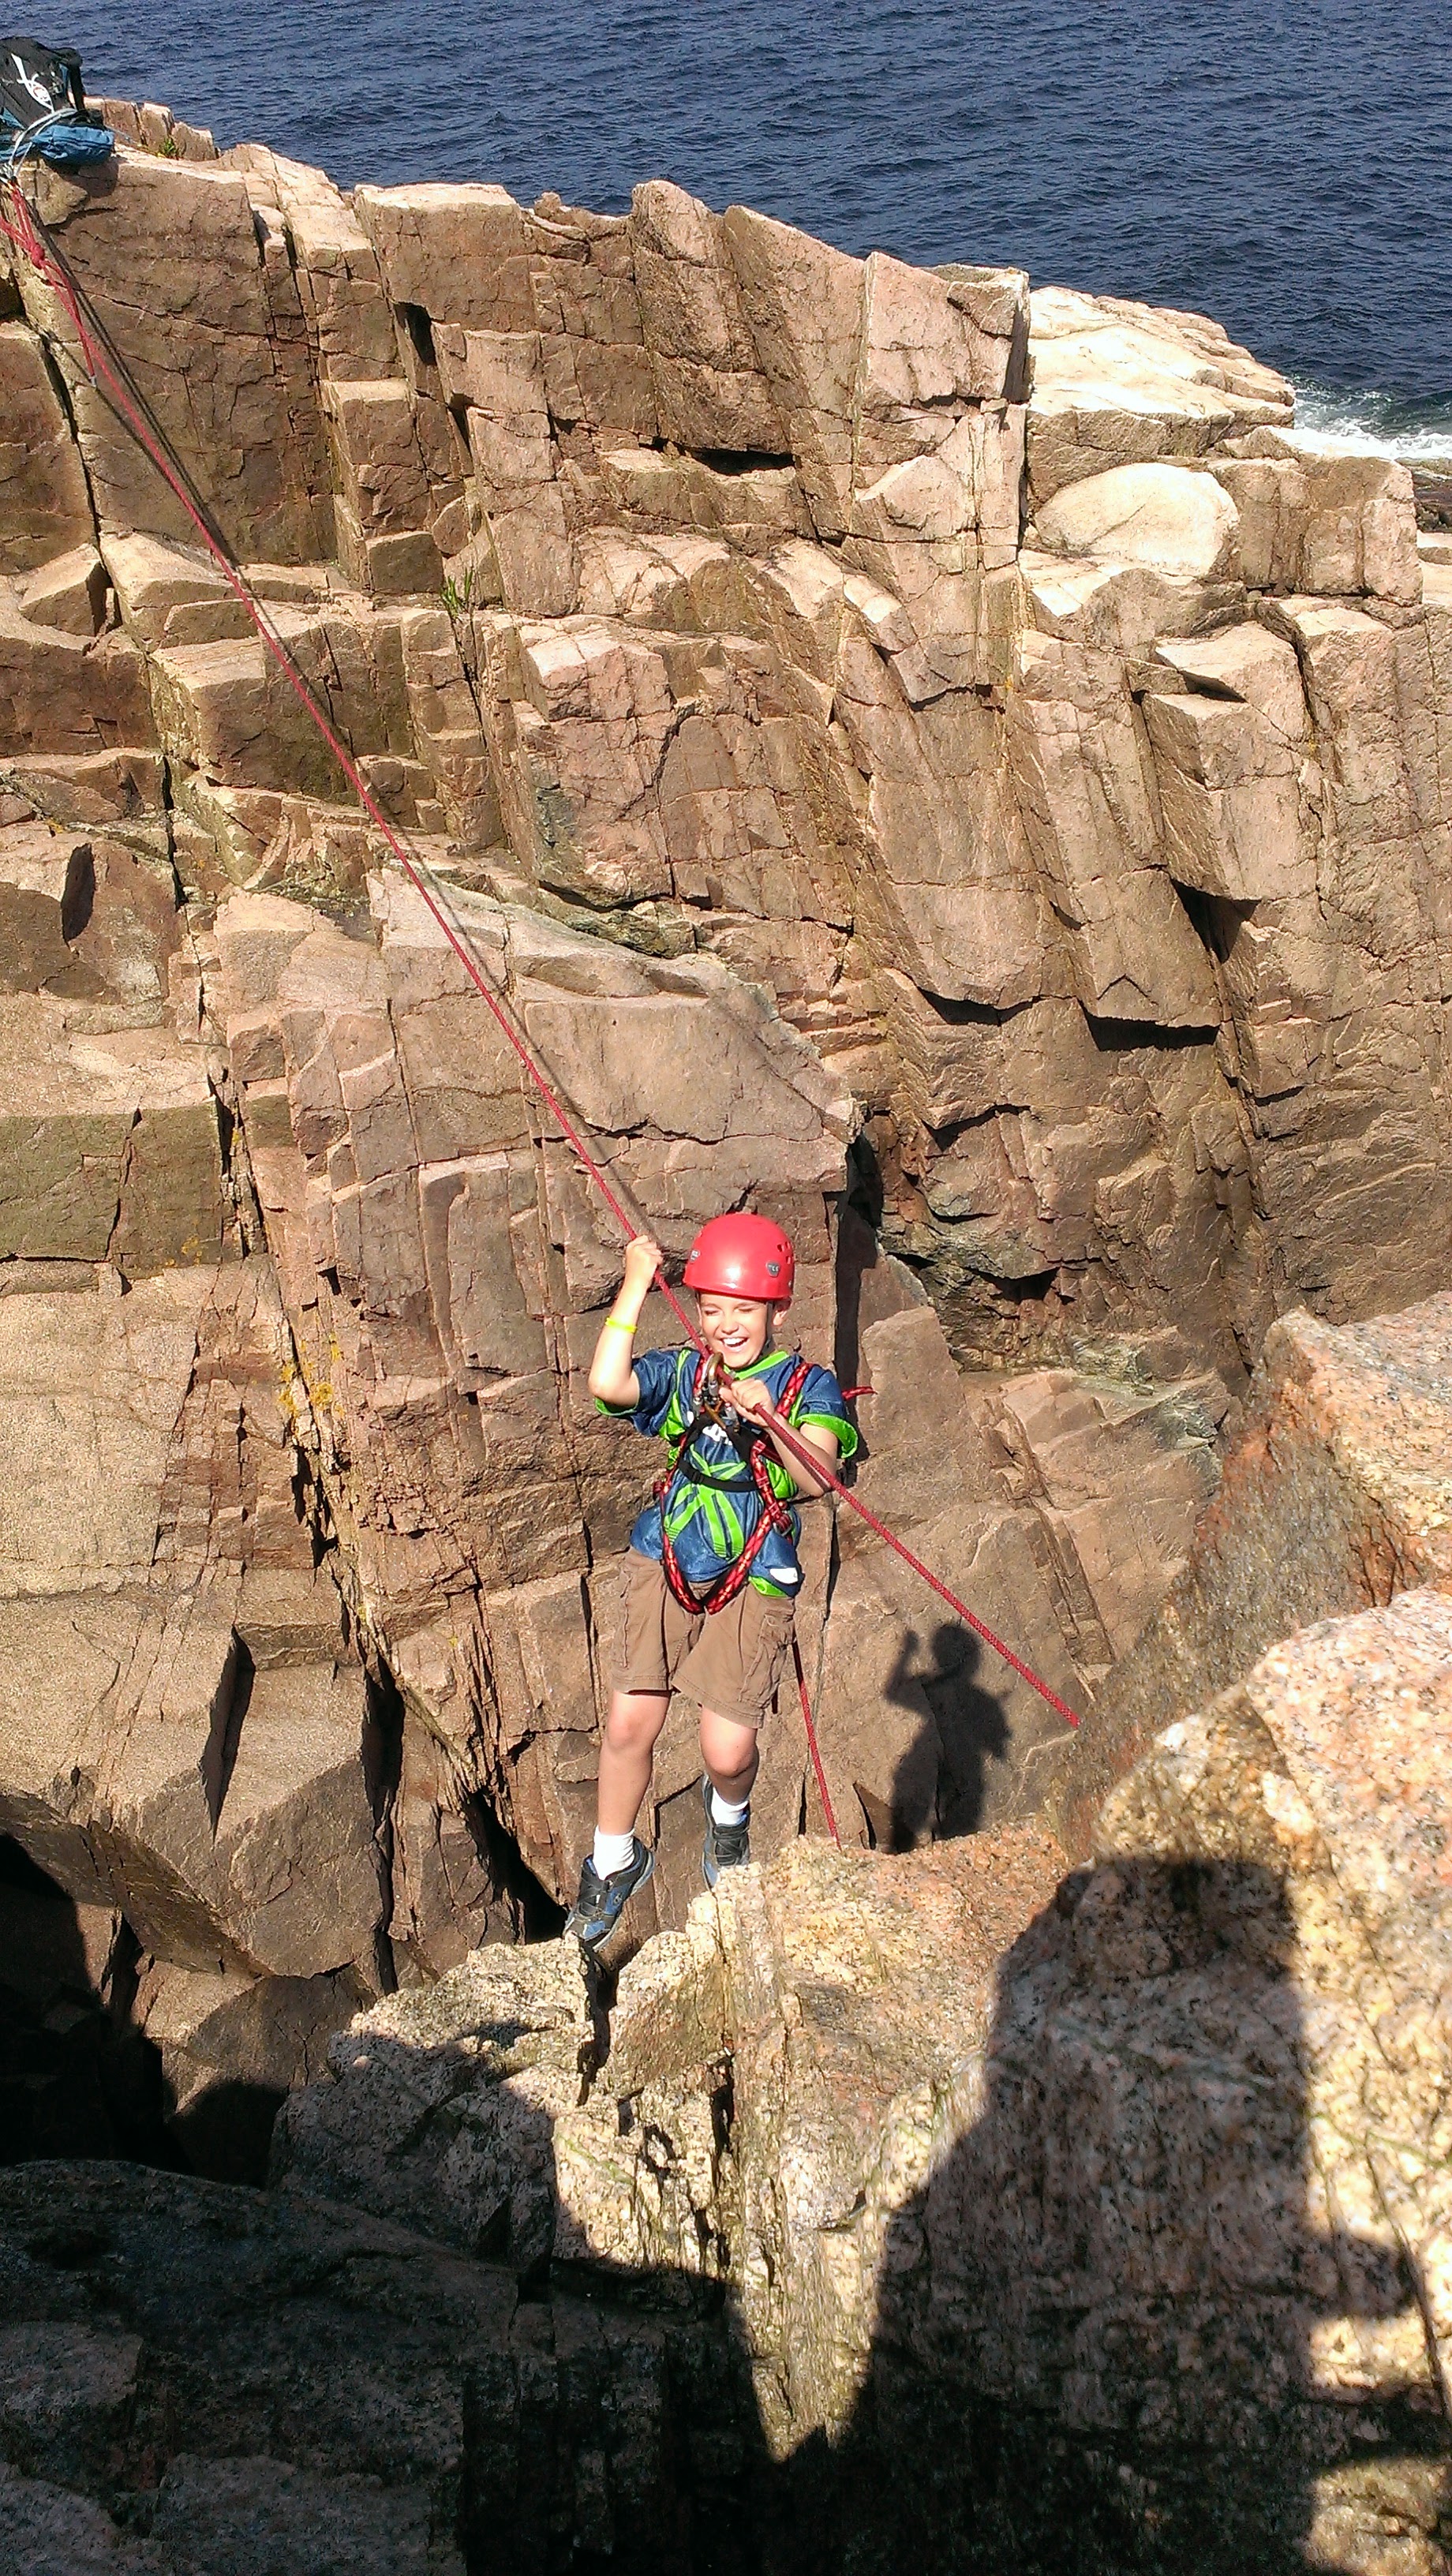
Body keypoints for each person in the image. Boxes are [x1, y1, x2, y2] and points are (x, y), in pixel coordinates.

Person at [564, 1211, 857, 1949]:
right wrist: (634, 1286)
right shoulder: (687, 1371)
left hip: (754, 1567)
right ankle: (612, 1862)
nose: (725, 1325)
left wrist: (772, 1422)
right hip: (666, 1553)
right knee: (632, 1721)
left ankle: (728, 1825)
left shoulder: (806, 1385)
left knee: (726, 1751)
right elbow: (608, 1382)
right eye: (713, 1308)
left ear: (776, 1311)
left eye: (743, 1310)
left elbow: (817, 1475)